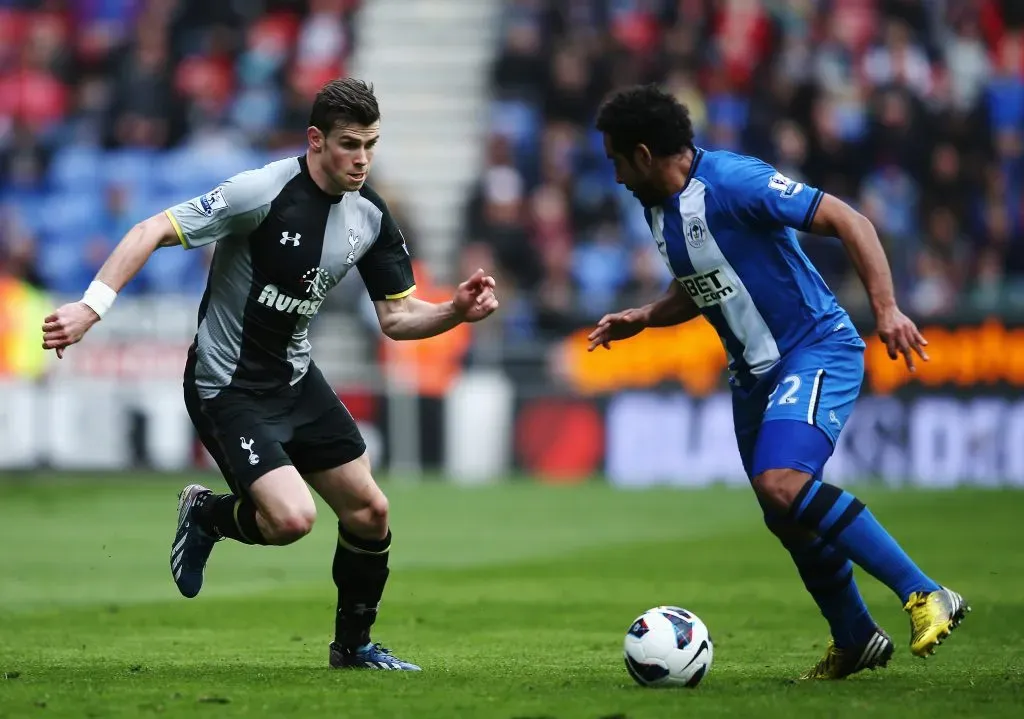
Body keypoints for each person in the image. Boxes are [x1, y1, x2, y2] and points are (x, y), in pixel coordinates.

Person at [40, 78, 500, 671]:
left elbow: (397, 318)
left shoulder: (369, 215)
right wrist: (91, 307)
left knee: (370, 512)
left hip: (295, 379)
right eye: (349, 144)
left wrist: (455, 311)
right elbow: (151, 229)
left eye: (371, 145)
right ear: (315, 140)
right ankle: (205, 514)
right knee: (291, 520)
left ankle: (353, 648)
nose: (362, 159)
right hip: (227, 385)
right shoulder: (260, 191)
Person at [588, 84, 968, 680]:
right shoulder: (656, 206)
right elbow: (702, 280)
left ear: (642, 153)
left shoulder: (735, 182)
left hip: (816, 348)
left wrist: (887, 310)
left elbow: (850, 219)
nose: (612, 175)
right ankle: (855, 637)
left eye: (614, 160)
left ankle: (925, 593)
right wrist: (644, 316)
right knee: (783, 511)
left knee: (784, 483)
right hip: (753, 378)